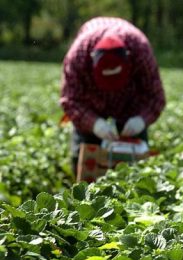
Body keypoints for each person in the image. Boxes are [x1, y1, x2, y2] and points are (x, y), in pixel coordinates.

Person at [60, 17, 166, 175]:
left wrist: (141, 120)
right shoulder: (78, 56)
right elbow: (70, 100)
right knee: (84, 160)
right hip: (91, 104)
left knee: (137, 167)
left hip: (129, 104)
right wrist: (95, 124)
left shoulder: (140, 51)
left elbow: (155, 96)